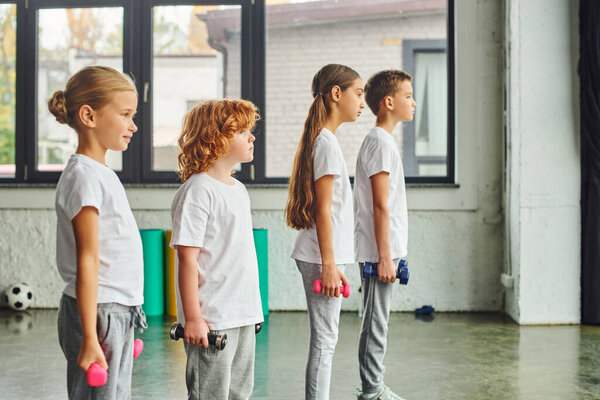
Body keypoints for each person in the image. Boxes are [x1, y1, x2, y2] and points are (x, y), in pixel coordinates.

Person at [50, 66, 147, 399]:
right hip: (99, 311)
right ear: (89, 116)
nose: (133, 125)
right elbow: (88, 259)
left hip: (115, 310)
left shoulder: (101, 172)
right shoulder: (84, 177)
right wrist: (91, 337)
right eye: (124, 114)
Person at [170, 99, 264, 400]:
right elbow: (187, 258)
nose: (251, 137)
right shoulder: (197, 190)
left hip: (243, 313)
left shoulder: (239, 190)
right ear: (216, 138)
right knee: (210, 394)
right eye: (243, 131)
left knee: (239, 393)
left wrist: (253, 310)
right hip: (213, 318)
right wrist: (193, 318)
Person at [285, 63, 365, 400]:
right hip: (321, 259)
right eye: (358, 94)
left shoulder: (325, 140)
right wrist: (330, 266)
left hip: (323, 256)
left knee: (326, 339)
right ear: (336, 94)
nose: (362, 102)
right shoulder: (327, 144)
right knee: (325, 340)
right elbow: (323, 210)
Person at [353, 70, 416, 400]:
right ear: (388, 102)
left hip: (384, 252)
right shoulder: (378, 143)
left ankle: (374, 387)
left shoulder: (384, 141)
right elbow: (380, 206)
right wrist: (385, 258)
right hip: (381, 254)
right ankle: (372, 392)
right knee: (375, 324)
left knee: (378, 322)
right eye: (408, 96)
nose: (413, 102)